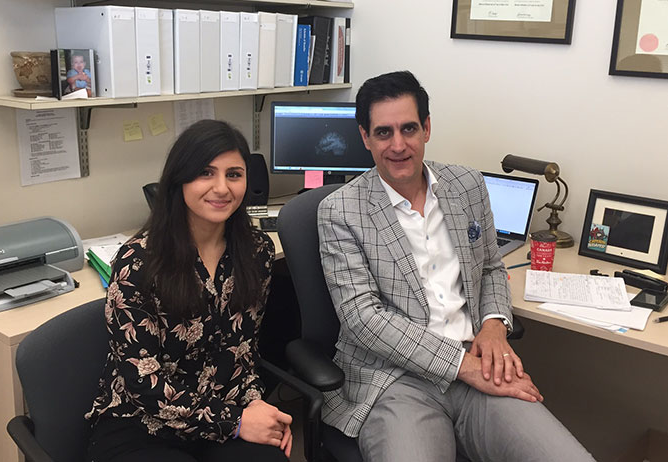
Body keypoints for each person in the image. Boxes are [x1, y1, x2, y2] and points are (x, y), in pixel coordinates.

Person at [317, 71, 595, 461]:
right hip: (395, 381)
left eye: (409, 128)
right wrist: (462, 365)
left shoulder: (466, 184)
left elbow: (492, 268)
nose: (398, 145)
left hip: (481, 364)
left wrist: (495, 326)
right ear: (365, 136)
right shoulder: (340, 210)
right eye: (383, 133)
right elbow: (363, 318)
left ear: (427, 128)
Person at [85, 119, 293, 462]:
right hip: (142, 425)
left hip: (224, 409)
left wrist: (257, 405)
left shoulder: (257, 251)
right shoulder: (139, 262)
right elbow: (142, 384)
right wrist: (237, 421)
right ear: (179, 180)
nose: (222, 188)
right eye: (206, 173)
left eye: (234, 174)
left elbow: (245, 349)